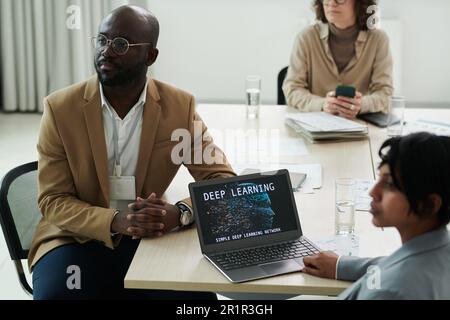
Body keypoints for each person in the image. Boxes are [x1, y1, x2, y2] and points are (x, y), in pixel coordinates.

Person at [29, 5, 235, 299]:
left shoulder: (179, 107)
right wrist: (115, 220)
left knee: (196, 299)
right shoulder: (60, 108)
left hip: (150, 236)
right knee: (58, 296)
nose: (106, 51)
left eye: (121, 44)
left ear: (150, 56)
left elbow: (221, 180)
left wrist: (181, 214)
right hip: (74, 236)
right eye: (101, 40)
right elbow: (53, 200)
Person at [301, 132, 450, 299]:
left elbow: (396, 276)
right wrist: (340, 266)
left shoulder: (389, 291)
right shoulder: (439, 251)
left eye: (390, 184)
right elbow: (398, 264)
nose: (373, 192)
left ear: (429, 205)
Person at [283, 0, 394, 119]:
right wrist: (322, 104)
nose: (331, 3)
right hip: (316, 124)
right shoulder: (306, 37)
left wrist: (361, 105)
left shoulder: (378, 40)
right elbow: (292, 89)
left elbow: (384, 93)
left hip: (359, 125)